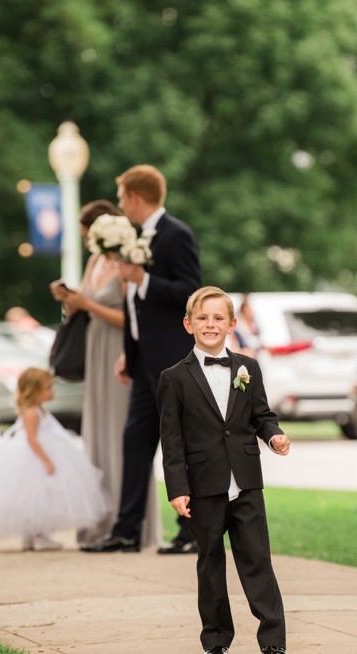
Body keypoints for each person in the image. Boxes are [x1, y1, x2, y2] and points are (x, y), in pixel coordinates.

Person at [157, 286, 290, 654]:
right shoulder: (173, 378)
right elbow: (172, 439)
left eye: (218, 318)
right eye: (202, 318)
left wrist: (273, 435)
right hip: (203, 486)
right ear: (188, 324)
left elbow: (261, 415)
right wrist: (178, 488)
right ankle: (216, 640)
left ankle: (273, 642)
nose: (210, 324)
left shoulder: (249, 368)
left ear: (232, 324)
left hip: (246, 481)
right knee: (210, 563)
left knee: (257, 561)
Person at [83, 165, 202, 554]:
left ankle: (191, 533)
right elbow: (136, 309)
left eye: (121, 197)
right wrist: (128, 352)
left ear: (135, 197)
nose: (119, 205)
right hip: (142, 361)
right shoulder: (134, 238)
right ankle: (127, 531)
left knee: (179, 446)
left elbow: (191, 291)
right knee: (135, 442)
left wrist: (142, 279)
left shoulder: (177, 235)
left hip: (171, 360)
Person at [50, 200, 162, 549]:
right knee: (96, 436)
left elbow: (134, 316)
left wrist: (88, 305)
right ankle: (98, 524)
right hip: (95, 348)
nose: (87, 243)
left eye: (89, 236)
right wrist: (67, 298)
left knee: (122, 436)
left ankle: (128, 523)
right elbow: (82, 302)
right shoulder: (96, 260)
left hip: (120, 350)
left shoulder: (129, 259)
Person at [0, 367, 108, 551]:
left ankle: (33, 535)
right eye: (47, 388)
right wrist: (46, 460)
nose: (52, 392)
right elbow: (32, 438)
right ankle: (37, 535)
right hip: (32, 456)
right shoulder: (32, 412)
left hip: (43, 451)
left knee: (41, 497)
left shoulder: (38, 410)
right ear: (33, 391)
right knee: (35, 496)